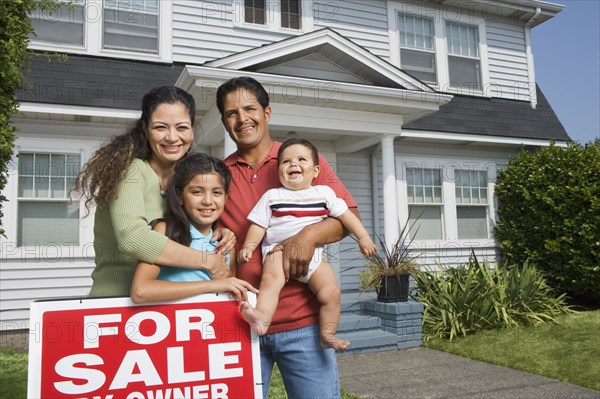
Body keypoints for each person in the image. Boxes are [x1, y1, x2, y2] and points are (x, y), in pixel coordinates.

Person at [216, 76, 363, 398]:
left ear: (267, 112)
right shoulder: (219, 175)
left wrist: (307, 236)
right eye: (231, 113)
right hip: (240, 323)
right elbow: (194, 222)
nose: (242, 119)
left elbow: (349, 217)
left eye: (250, 108)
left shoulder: (300, 158)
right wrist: (214, 229)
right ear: (224, 121)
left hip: (304, 326)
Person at [74, 86, 232, 297]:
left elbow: (189, 228)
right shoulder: (130, 171)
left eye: (182, 127)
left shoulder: (184, 179)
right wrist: (207, 261)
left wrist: (218, 231)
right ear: (145, 129)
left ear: (192, 130)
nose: (172, 137)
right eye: (160, 127)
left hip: (165, 304)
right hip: (116, 301)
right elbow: (133, 238)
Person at [238, 138, 376, 351]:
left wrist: (363, 237)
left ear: (315, 170)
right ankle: (262, 319)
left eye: (301, 159)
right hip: (276, 252)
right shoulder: (272, 196)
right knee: (270, 283)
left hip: (314, 258)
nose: (293, 164)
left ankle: (327, 333)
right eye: (286, 162)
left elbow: (347, 217)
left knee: (331, 292)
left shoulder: (324, 194)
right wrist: (249, 245)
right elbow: (258, 225)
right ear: (279, 172)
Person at [131, 153, 257, 303]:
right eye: (197, 192)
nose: (207, 201)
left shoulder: (226, 244)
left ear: (226, 198)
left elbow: (229, 295)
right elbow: (141, 291)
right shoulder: (165, 231)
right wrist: (212, 285)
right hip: (172, 322)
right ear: (179, 196)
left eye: (216, 193)